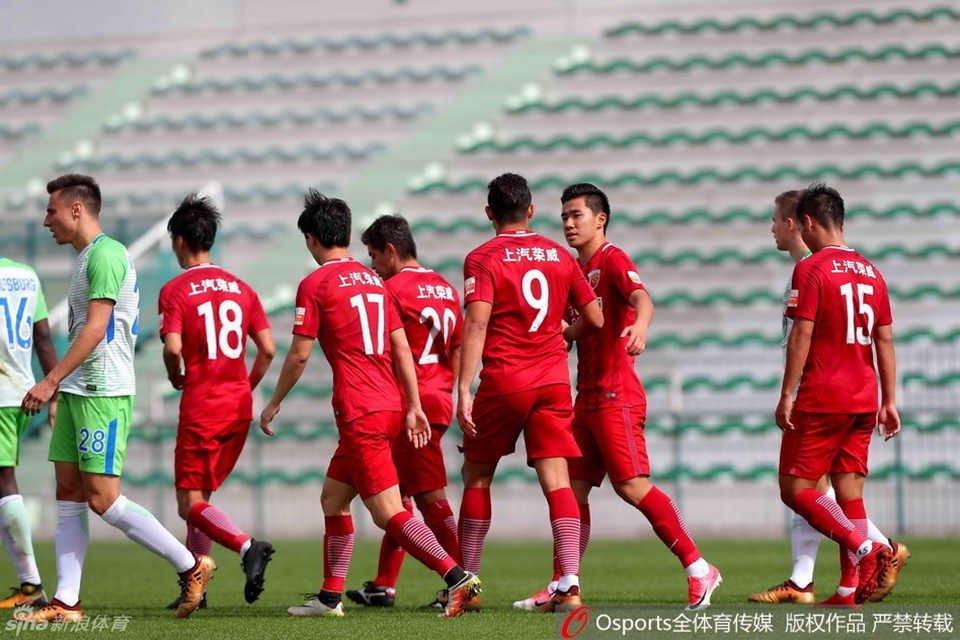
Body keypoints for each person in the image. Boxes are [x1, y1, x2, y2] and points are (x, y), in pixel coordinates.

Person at [260, 189, 479, 618]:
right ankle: (329, 598)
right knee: (333, 498)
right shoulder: (376, 283)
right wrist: (412, 405)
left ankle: (458, 578)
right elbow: (400, 348)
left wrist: (273, 402)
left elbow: (300, 354)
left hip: (360, 409)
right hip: (390, 405)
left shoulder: (316, 283)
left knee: (388, 512)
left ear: (311, 239)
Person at [514, 183, 721, 612]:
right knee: (571, 492)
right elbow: (573, 328)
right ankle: (564, 584)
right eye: (564, 216)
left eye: (577, 215)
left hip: (616, 394)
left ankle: (699, 567)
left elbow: (642, 299)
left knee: (630, 485)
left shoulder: (612, 258)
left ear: (600, 219)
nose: (568, 223)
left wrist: (640, 325)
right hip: (586, 398)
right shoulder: (574, 269)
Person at [20, 174, 214, 621]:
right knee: (68, 493)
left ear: (76, 209)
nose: (46, 221)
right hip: (78, 390)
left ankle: (190, 564)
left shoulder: (107, 254)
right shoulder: (88, 256)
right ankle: (67, 601)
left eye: (51, 211)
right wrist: (62, 389)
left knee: (103, 499)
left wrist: (50, 381)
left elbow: (96, 328)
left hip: (102, 391)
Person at [749, 190, 909, 604]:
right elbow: (885, 339)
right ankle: (848, 589)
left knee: (795, 488)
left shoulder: (812, 268)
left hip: (822, 395)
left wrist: (787, 393)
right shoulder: (872, 271)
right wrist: (889, 400)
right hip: (864, 397)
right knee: (849, 492)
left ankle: (868, 548)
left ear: (806, 222)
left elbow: (801, 332)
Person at [457, 173, 602, 613]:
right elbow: (595, 318)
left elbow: (477, 323)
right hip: (552, 380)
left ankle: (467, 587)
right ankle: (570, 583)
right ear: (532, 211)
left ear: (489, 213)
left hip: (505, 379)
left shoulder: (482, 257)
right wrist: (565, 334)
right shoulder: (560, 255)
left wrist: (463, 387)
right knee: (558, 481)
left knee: (477, 476)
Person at [158, 194, 276, 610]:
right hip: (238, 407)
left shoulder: (175, 290)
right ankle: (197, 589)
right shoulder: (242, 289)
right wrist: (245, 386)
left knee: (188, 503)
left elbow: (173, 348)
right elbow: (268, 349)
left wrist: (174, 374)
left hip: (203, 405)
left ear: (178, 240)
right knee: (201, 500)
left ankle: (247, 547)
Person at [346, 214, 463, 609]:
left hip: (410, 405)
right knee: (399, 494)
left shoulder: (391, 290)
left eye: (374, 255)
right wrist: (452, 390)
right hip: (439, 397)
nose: (373, 265)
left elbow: (386, 347)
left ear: (391, 251)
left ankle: (463, 581)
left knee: (429, 497)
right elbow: (458, 346)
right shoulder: (445, 288)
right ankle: (384, 584)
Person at [0, 255, 58, 608]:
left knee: (5, 482)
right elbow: (44, 337)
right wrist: (54, 392)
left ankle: (32, 584)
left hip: (1, 395)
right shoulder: (25, 274)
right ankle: (29, 584)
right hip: (21, 392)